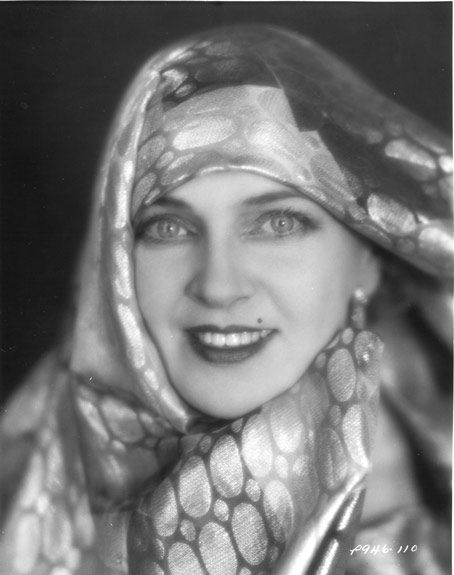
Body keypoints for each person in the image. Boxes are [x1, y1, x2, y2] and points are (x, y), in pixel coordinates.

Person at [0, 24, 451, 575]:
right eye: (167, 228)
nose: (217, 286)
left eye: (278, 223)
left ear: (371, 259)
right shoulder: (27, 467)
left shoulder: (421, 524)